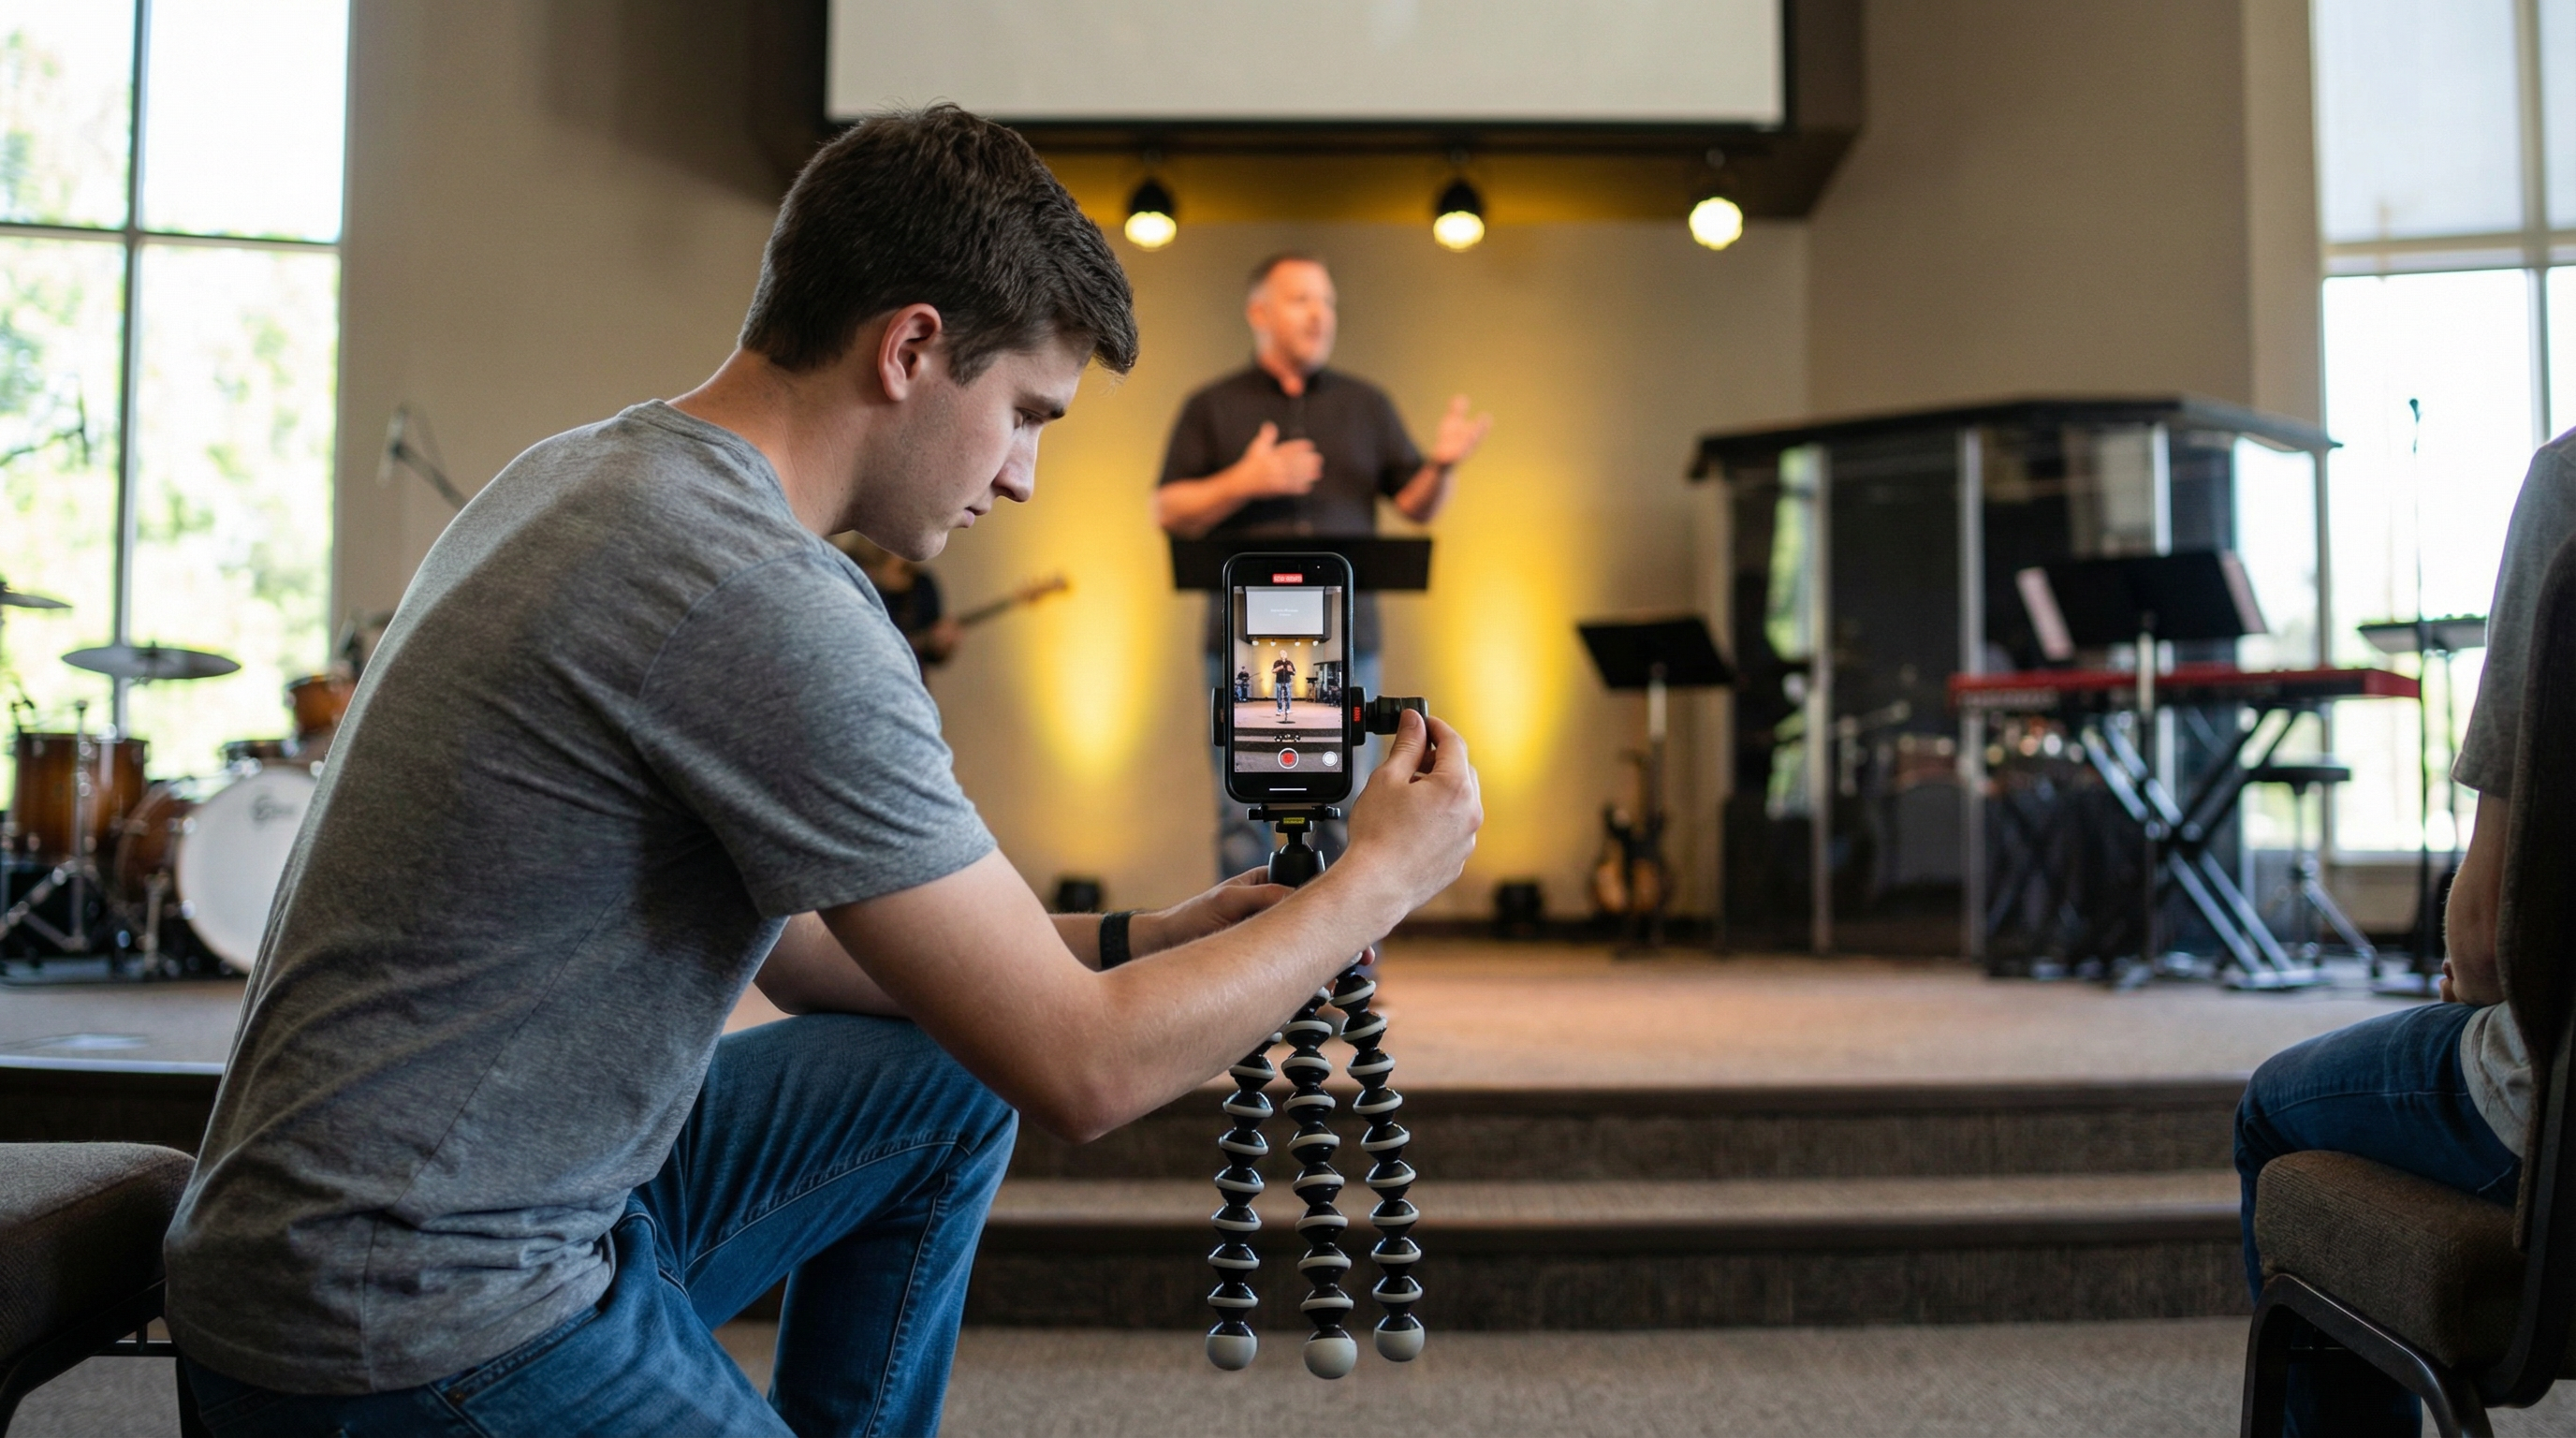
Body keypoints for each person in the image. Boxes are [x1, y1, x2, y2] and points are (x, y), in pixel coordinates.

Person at [160, 106, 1483, 1438]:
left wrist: (1145, 934)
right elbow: (1087, 1074)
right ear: (910, 348)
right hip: (404, 1314)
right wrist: (1375, 883)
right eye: (1025, 414)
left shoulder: (586, 472)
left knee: (945, 1076)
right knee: (1012, 1065)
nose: (1024, 477)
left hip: (350, 1238)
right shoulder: (764, 597)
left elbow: (803, 953)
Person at [2233, 428, 2576, 1436]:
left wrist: (2474, 977)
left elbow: (2482, 939)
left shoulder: (2570, 484)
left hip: (2555, 1113)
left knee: (2274, 1109)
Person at [1155, 253, 1491, 874]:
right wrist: (1246, 479)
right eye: (1302, 299)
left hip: (1346, 639)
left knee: (1343, 803)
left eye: (1328, 302)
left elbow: (1417, 505)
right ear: (1259, 312)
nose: (1320, 314)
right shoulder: (1213, 406)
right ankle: (1241, 965)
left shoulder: (1367, 404)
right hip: (1241, 642)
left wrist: (1441, 466)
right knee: (1241, 808)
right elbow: (1168, 508)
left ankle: (1340, 960)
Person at [832, 530, 961, 669]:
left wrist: (942, 644)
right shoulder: (845, 568)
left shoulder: (922, 583)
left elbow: (932, 652)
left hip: (903, 676)